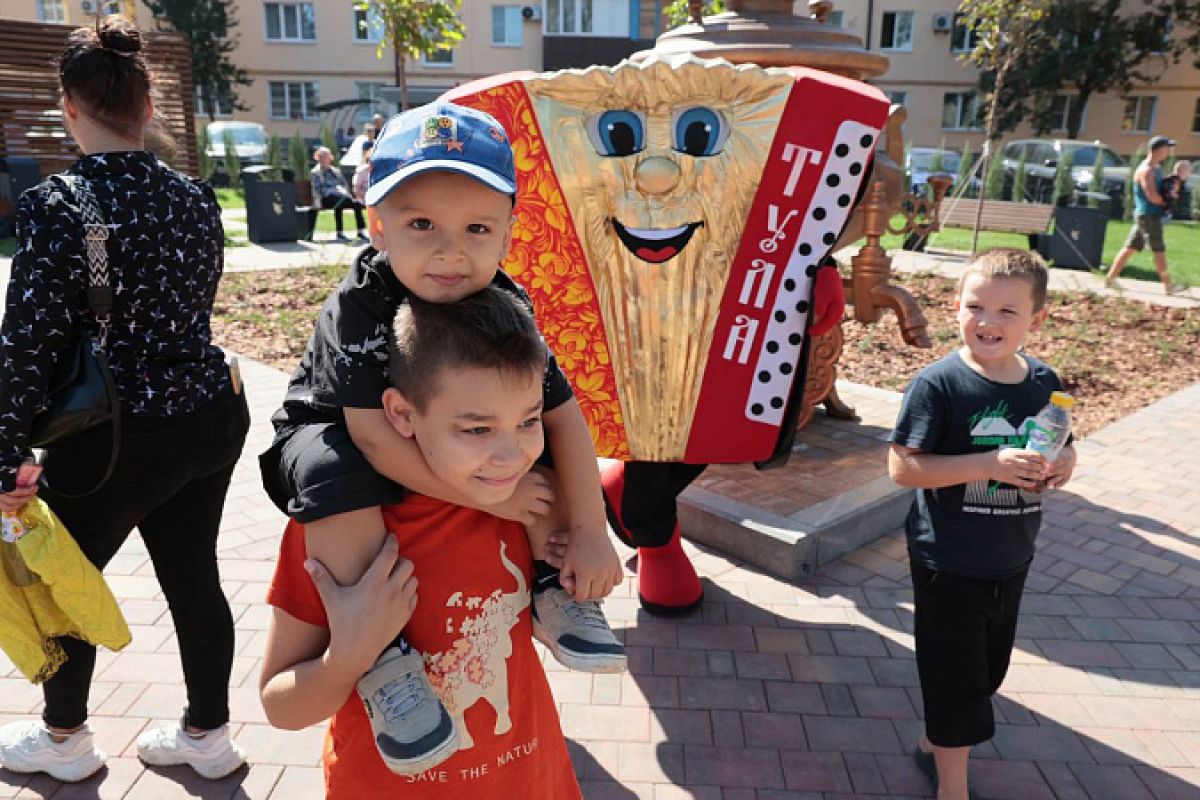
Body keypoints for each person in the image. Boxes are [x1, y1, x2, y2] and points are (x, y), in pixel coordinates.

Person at [258, 102, 625, 776]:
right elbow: (370, 437)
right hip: (334, 428)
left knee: (531, 451)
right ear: (377, 225)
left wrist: (592, 531)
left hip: (526, 778)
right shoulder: (357, 307)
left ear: (508, 232)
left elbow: (564, 414)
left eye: (476, 227)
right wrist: (492, 502)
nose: (450, 250)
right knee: (332, 477)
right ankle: (386, 660)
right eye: (421, 224)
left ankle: (553, 585)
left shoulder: (503, 309)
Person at [0, 16, 250, 783]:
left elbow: (29, 339)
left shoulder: (57, 204)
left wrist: (6, 451)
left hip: (113, 435)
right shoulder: (197, 198)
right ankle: (209, 736)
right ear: (145, 108)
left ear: (69, 107)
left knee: (63, 583)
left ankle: (67, 741)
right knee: (195, 578)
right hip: (208, 413)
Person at [260, 288, 583, 799]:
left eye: (527, 421)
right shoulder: (341, 527)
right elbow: (280, 706)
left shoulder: (527, 505)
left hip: (531, 782)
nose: (511, 456)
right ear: (402, 414)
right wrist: (349, 656)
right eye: (476, 428)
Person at [887, 248, 1077, 800]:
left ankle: (933, 744)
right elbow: (903, 468)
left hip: (1011, 557)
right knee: (957, 682)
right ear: (956, 307)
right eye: (976, 306)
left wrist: (1064, 464)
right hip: (946, 560)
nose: (988, 322)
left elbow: (1063, 448)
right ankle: (952, 788)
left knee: (987, 673)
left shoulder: (1044, 383)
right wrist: (990, 464)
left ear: (1036, 321)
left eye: (1007, 312)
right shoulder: (939, 384)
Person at [1105, 135, 1186, 293]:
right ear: (1159, 150)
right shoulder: (1146, 170)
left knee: (1130, 247)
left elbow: (1162, 189)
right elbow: (1152, 196)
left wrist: (1173, 185)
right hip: (1148, 215)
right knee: (1159, 250)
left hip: (1147, 215)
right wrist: (1168, 202)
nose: (1169, 151)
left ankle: (1110, 278)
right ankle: (1169, 286)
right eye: (1167, 147)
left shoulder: (1156, 168)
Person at [309, 145, 367, 242]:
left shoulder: (336, 171)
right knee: (338, 203)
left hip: (340, 195)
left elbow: (344, 184)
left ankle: (360, 231)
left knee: (356, 204)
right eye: (322, 156)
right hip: (326, 197)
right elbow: (316, 188)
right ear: (318, 158)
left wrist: (345, 192)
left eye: (326, 156)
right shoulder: (316, 172)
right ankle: (339, 232)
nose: (325, 159)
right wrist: (320, 200)